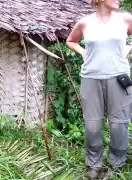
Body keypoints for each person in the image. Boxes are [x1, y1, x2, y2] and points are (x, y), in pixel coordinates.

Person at [66, 0, 132, 178]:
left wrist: (128, 48)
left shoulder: (125, 19)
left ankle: (116, 163)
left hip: (118, 79)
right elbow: (71, 41)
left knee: (119, 124)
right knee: (92, 125)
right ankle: (93, 165)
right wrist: (83, 52)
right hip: (91, 79)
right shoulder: (85, 22)